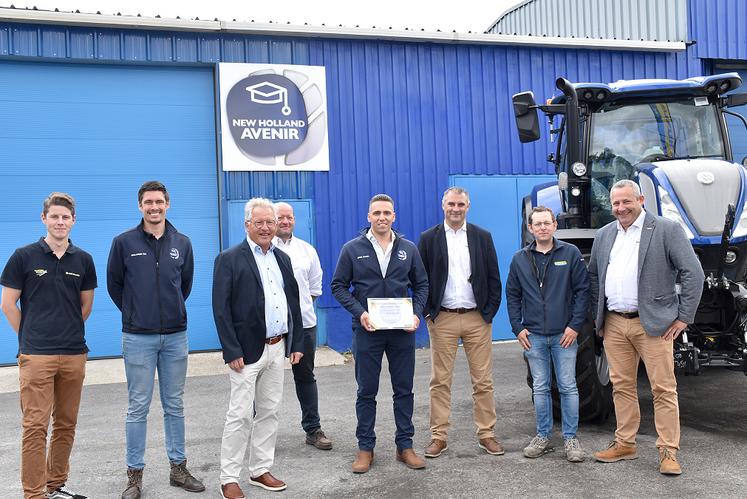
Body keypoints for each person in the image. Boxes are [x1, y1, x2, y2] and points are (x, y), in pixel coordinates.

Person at [588, 179, 704, 475]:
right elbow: (593, 279)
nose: (621, 208)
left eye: (626, 201)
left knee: (663, 388)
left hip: (653, 324)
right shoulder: (603, 235)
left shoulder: (666, 229)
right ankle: (625, 443)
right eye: (615, 203)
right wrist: (597, 318)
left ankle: (668, 450)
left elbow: (693, 273)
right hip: (614, 323)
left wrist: (683, 317)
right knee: (621, 386)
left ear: (640, 199)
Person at [106, 181, 204, 499]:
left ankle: (178, 469)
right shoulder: (123, 243)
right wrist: (137, 313)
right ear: (140, 206)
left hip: (176, 336)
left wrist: (168, 313)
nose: (154, 207)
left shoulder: (183, 243)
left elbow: (183, 286)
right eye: (148, 202)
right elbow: (115, 286)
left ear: (168, 204)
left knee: (174, 405)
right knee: (138, 407)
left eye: (159, 201)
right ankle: (134, 477)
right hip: (138, 338)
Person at [1, 193, 96, 499]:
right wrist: (30, 335)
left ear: (73, 221)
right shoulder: (23, 256)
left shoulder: (83, 260)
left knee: (66, 424)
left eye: (65, 217)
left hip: (73, 354)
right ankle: (34, 494)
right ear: (44, 219)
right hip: (36, 356)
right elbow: (8, 304)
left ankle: (55, 486)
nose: (59, 222)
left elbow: (85, 307)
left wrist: (65, 332)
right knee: (35, 427)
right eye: (54, 216)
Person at [212, 198, 304, 499]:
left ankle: (260, 469)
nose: (266, 227)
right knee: (239, 415)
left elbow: (294, 304)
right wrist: (231, 350)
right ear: (247, 225)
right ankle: (229, 478)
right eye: (259, 222)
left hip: (278, 348)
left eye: (270, 222)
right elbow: (221, 309)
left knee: (270, 411)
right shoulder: (229, 258)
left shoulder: (283, 259)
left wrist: (295, 342)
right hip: (246, 353)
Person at [331, 194, 429, 474]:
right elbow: (338, 286)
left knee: (404, 390)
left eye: (387, 212)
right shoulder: (352, 249)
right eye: (377, 213)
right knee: (366, 391)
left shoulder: (408, 248)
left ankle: (405, 446)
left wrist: (416, 313)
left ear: (394, 216)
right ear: (368, 217)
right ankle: (365, 448)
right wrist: (359, 312)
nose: (382, 217)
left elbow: (422, 284)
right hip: (367, 330)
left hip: (401, 331)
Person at [417, 187, 504, 458]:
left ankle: (487, 434)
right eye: (451, 204)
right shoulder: (428, 238)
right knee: (440, 381)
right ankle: (439, 436)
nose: (456, 209)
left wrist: (487, 313)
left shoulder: (481, 237)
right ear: (443, 205)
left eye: (461, 205)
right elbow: (420, 279)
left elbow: (493, 277)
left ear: (468, 206)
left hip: (477, 318)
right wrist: (429, 314)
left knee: (483, 381)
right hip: (442, 318)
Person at [505, 206, 589, 462]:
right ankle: (542, 436)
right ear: (530, 228)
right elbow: (512, 295)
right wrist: (518, 328)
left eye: (546, 223)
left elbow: (582, 291)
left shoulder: (570, 253)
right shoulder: (520, 258)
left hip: (565, 335)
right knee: (540, 387)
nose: (542, 228)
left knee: (567, 386)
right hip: (535, 337)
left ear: (554, 225)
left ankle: (570, 438)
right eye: (537, 224)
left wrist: (575, 326)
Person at [273, 202, 332, 450]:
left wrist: (297, 313)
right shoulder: (261, 250)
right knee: (263, 380)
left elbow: (314, 289)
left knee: (305, 377)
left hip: (304, 326)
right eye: (280, 218)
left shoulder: (307, 251)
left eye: (289, 217)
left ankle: (313, 429)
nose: (285, 222)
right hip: (270, 328)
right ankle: (257, 431)